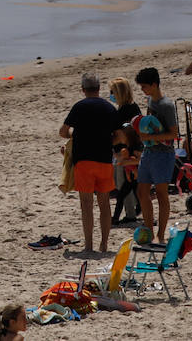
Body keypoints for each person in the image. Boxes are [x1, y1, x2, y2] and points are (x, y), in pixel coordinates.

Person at [59, 73, 119, 253]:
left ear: (83, 90)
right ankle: (104, 244)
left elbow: (63, 131)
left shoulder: (79, 107)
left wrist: (75, 137)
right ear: (99, 89)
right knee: (104, 204)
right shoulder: (109, 108)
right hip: (104, 160)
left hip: (83, 160)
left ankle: (89, 245)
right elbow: (119, 135)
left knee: (86, 204)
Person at [133, 67, 177, 245]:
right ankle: (149, 230)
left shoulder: (167, 105)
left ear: (154, 84)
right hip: (149, 152)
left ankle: (161, 234)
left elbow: (173, 134)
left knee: (161, 194)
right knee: (142, 191)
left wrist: (150, 137)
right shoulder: (150, 100)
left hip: (163, 155)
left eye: (144, 86)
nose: (142, 90)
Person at [107, 77, 141, 224]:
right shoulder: (133, 108)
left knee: (124, 186)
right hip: (132, 152)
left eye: (112, 92)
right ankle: (133, 210)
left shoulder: (123, 111)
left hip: (125, 154)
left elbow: (118, 134)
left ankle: (130, 215)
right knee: (131, 186)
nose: (110, 94)